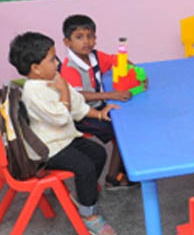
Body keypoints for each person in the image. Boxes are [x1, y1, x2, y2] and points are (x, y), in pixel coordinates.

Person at [8, 32, 118, 235]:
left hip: (64, 139)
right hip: (47, 148)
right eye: (52, 60)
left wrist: (99, 114)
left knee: (98, 153)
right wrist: (64, 91)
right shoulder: (33, 91)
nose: (57, 63)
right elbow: (60, 118)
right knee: (84, 167)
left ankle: (83, 195)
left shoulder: (53, 79)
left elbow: (76, 105)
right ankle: (89, 215)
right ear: (35, 68)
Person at [59, 14, 141, 189]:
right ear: (67, 42)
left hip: (98, 106)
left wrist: (137, 72)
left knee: (127, 123)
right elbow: (79, 96)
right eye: (79, 37)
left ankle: (123, 169)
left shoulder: (95, 56)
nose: (86, 41)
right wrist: (111, 94)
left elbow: (116, 60)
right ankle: (112, 178)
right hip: (81, 115)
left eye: (90, 36)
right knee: (120, 132)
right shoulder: (69, 67)